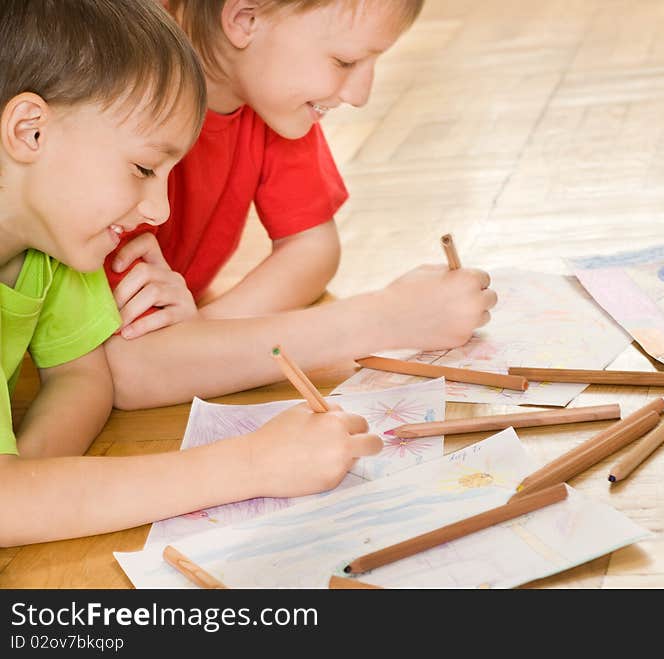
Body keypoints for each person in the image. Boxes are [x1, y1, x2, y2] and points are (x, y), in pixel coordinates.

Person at [0, 0, 381, 547]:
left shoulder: (53, 247)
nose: (160, 211)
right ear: (30, 131)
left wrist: (34, 485)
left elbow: (83, 378)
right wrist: (253, 463)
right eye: (143, 169)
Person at [102, 0, 498, 410]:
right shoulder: (114, 97)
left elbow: (312, 248)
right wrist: (386, 318)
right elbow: (128, 371)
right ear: (245, 18)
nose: (361, 95)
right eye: (344, 61)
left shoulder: (265, 87)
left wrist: (201, 332)